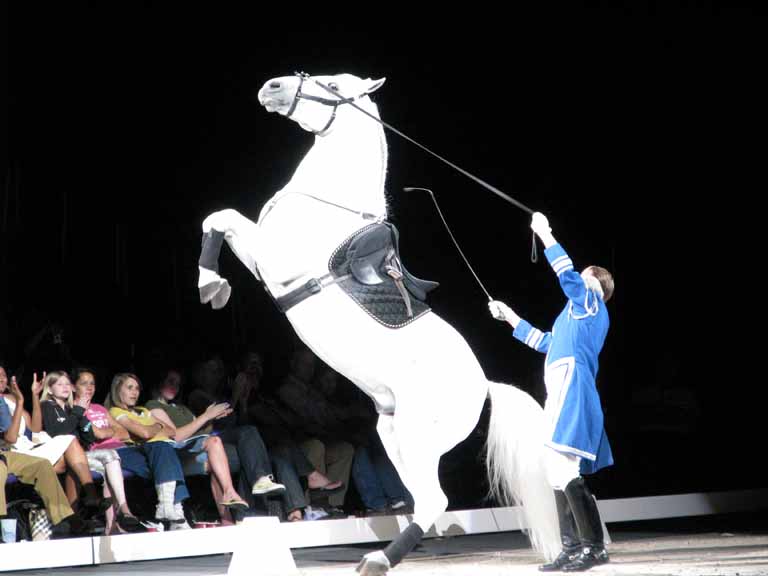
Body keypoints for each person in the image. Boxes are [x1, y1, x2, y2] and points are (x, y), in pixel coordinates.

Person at [488, 212, 614, 572]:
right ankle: (573, 546)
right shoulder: (573, 317)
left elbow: (568, 277)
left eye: (586, 274)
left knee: (562, 466)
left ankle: (592, 547)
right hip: (561, 387)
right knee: (554, 469)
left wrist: (545, 234)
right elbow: (544, 341)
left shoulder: (592, 303)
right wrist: (509, 316)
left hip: (572, 388)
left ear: (597, 286)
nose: (580, 278)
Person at [146, 369, 280, 525]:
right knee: (218, 449)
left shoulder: (181, 408)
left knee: (248, 433)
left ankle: (259, 481)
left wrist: (212, 419)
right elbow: (175, 437)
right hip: (184, 450)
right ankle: (232, 514)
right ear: (160, 382)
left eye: (177, 383)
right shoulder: (153, 405)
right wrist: (206, 416)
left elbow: (203, 429)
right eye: (171, 381)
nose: (175, 386)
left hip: (203, 441)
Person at [40, 367, 143, 533]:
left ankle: (119, 514)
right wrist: (79, 414)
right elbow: (59, 432)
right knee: (87, 451)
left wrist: (83, 419)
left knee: (109, 460)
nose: (65, 387)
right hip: (56, 455)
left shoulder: (71, 407)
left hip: (79, 455)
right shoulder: (47, 406)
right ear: (50, 389)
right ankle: (89, 502)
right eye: (60, 384)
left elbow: (88, 436)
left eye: (67, 383)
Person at [105, 373, 192, 530]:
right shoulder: (116, 412)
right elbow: (144, 434)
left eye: (137, 388)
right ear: (118, 390)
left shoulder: (143, 410)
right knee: (162, 448)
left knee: (167, 450)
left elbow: (171, 431)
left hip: (154, 450)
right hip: (130, 452)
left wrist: (150, 429)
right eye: (129, 388)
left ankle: (176, 514)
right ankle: (169, 509)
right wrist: (156, 427)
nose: (134, 392)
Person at [1, 372, 79, 536]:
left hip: (9, 452)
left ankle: (64, 519)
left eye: (3, 375)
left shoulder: (7, 401)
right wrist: (21, 401)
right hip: (8, 451)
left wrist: (32, 397)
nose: (1, 378)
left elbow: (33, 429)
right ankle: (4, 526)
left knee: (42, 465)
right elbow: (11, 437)